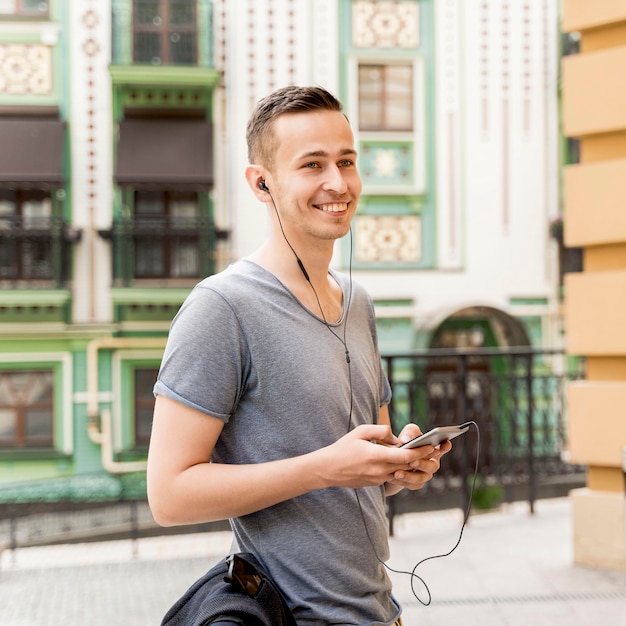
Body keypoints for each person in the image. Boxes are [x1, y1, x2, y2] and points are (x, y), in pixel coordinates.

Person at [147, 85, 452, 626]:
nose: (337, 183)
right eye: (312, 165)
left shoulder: (358, 302)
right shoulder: (221, 308)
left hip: (381, 613)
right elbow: (169, 495)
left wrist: (401, 463)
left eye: (347, 161)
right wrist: (323, 469)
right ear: (261, 183)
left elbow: (365, 458)